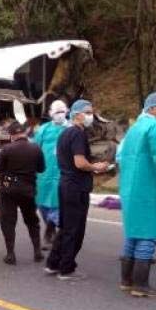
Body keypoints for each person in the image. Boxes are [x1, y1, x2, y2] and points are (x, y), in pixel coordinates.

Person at [117, 92, 156, 297]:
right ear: (152, 108)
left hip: (130, 188)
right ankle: (140, 286)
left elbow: (121, 156)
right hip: (149, 187)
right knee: (148, 234)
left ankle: (126, 280)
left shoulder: (134, 129)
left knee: (133, 233)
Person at [45, 100, 110, 281]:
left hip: (65, 184)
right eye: (87, 112)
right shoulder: (78, 134)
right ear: (76, 114)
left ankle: (53, 263)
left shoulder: (65, 133)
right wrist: (95, 167)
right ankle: (67, 269)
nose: (90, 116)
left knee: (65, 227)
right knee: (75, 229)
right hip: (76, 186)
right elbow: (80, 163)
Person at [0, 122, 46, 265]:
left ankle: (10, 254)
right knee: (32, 221)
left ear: (11, 135)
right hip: (28, 189)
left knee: (8, 221)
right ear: (25, 133)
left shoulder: (6, 149)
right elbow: (41, 169)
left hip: (8, 190)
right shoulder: (36, 148)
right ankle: (37, 252)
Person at [32, 100, 69, 249]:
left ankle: (56, 231)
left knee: (60, 203)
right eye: (56, 112)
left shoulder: (72, 128)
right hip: (44, 174)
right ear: (50, 113)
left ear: (66, 111)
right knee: (42, 203)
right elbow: (35, 150)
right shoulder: (43, 130)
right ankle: (50, 228)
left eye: (62, 111)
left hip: (64, 173)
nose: (60, 115)